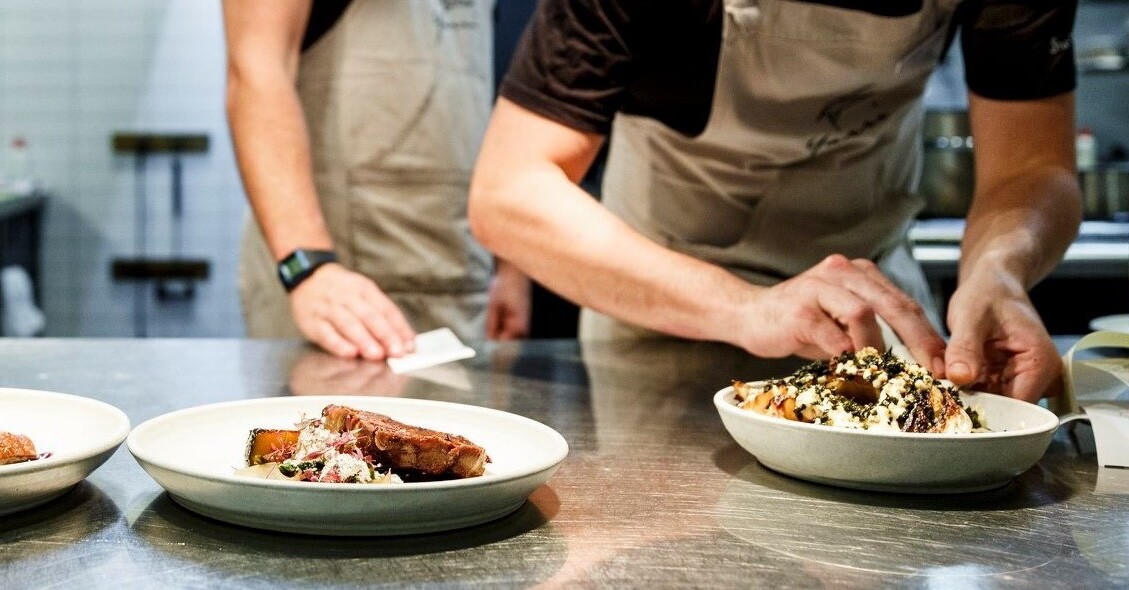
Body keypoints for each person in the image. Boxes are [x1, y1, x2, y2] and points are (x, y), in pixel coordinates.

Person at [468, 0, 1082, 402]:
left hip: (880, 313)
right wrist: (747, 308)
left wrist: (998, 269)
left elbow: (1033, 164)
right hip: (663, 312)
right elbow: (510, 191)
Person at [223, 0, 529, 362]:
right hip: (334, 282)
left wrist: (511, 264)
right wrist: (307, 266)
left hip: (457, 273)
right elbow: (256, 69)